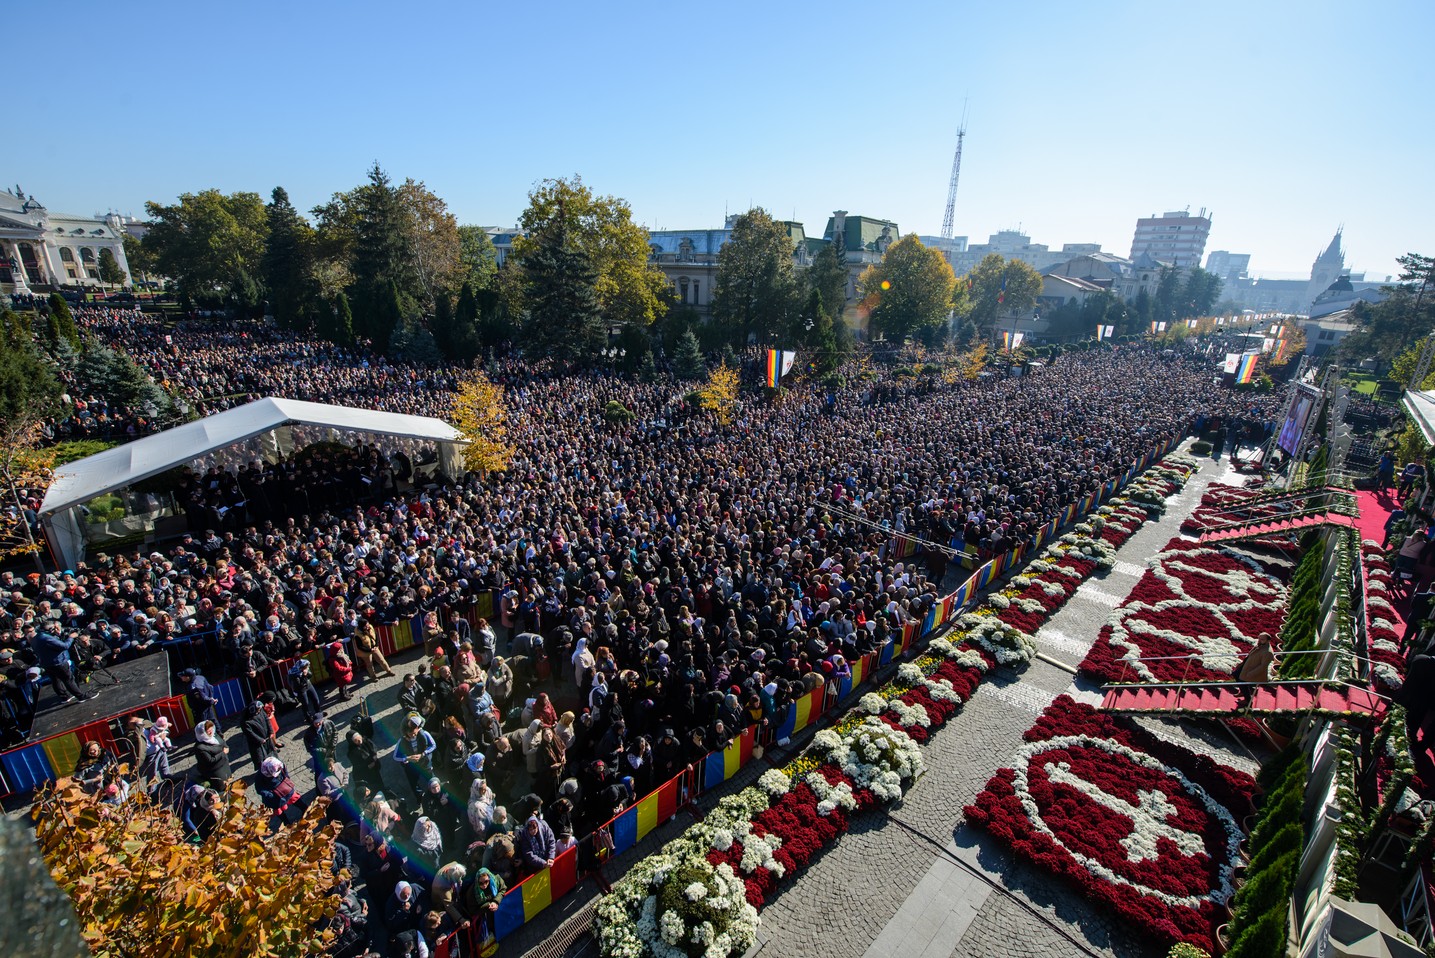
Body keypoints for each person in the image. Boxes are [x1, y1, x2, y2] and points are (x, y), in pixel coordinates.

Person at [31, 627, 90, 704]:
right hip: (58, 662)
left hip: (46, 663)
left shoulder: (35, 639)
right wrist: (71, 638)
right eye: (53, 629)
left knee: (56, 680)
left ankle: (64, 697)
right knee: (68, 679)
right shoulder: (46, 638)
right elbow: (64, 646)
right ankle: (81, 696)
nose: (55, 630)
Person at [255, 756, 303, 829]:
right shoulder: (260, 776)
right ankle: (287, 823)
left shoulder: (278, 765)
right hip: (275, 798)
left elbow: (285, 772)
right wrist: (271, 795)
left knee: (295, 799)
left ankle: (305, 810)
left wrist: (286, 780)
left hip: (285, 790)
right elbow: (260, 789)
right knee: (279, 811)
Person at [240, 694, 277, 771]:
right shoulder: (245, 721)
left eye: (260, 710)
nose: (259, 712)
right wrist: (260, 740)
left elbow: (267, 719)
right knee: (261, 760)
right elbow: (250, 734)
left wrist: (270, 731)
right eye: (257, 710)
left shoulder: (260, 711)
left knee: (272, 754)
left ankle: (274, 767)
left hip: (266, 738)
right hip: (257, 744)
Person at [303, 710, 340, 786]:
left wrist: (332, 745)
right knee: (320, 772)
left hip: (331, 751)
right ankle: (320, 788)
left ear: (322, 720)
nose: (318, 724)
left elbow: (335, 733)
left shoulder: (329, 723)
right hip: (320, 755)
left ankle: (336, 781)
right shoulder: (308, 733)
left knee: (334, 766)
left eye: (319, 722)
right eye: (315, 723)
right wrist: (322, 750)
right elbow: (309, 748)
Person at [192, 719, 231, 788]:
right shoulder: (200, 748)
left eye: (211, 729)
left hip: (224, 766)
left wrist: (226, 746)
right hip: (216, 771)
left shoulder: (214, 735)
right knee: (222, 787)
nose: (211, 732)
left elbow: (222, 742)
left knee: (229, 783)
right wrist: (223, 753)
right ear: (203, 733)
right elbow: (210, 760)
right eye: (208, 731)